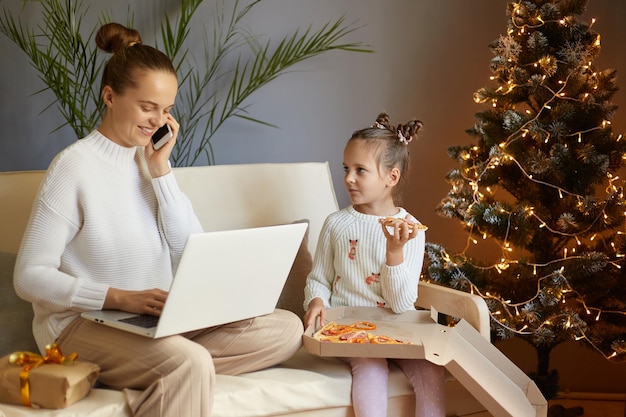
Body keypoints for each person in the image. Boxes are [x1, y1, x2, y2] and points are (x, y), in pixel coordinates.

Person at [13, 22, 303, 417]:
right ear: (110, 96)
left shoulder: (151, 164)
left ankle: (160, 370)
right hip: (80, 326)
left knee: (286, 330)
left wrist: (162, 171)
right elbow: (29, 276)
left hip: (153, 321)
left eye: (165, 110)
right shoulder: (73, 167)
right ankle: (172, 369)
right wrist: (117, 297)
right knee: (190, 362)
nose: (157, 120)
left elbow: (190, 250)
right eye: (147, 107)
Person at [303, 112, 446, 417]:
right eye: (346, 168)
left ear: (390, 177)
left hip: (397, 328)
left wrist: (394, 252)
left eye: (360, 170)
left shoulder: (411, 230)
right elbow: (319, 277)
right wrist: (316, 300)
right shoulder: (336, 224)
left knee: (430, 367)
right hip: (348, 328)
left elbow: (402, 303)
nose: (348, 178)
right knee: (371, 366)